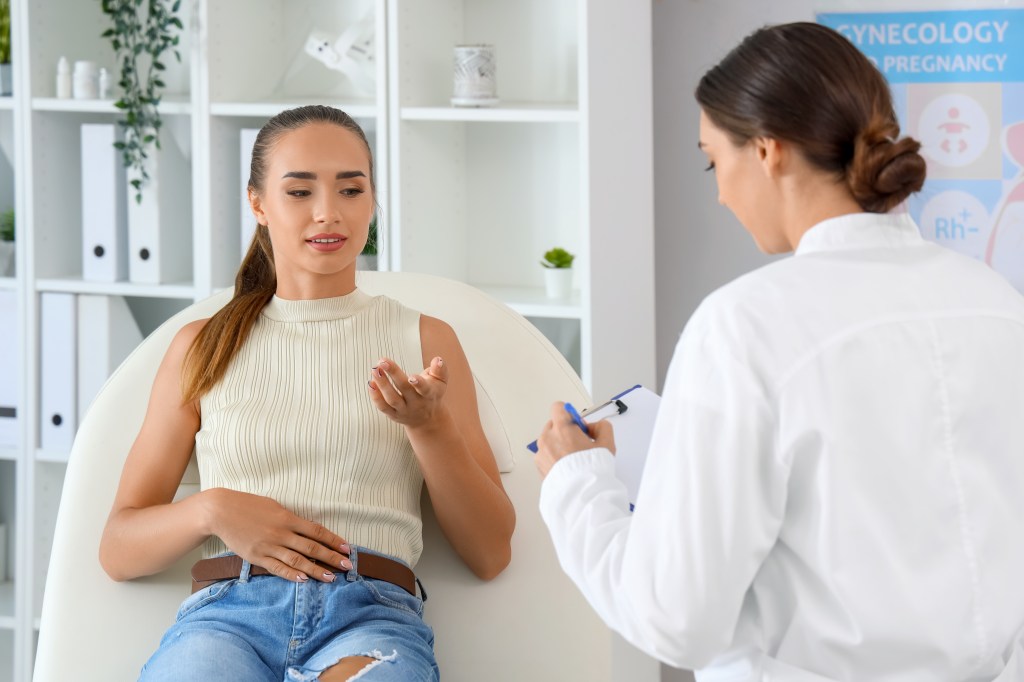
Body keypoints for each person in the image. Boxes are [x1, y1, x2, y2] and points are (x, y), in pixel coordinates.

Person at [533, 22, 1024, 681]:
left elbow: (675, 618)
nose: (718, 191)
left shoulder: (743, 326)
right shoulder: (995, 302)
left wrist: (579, 483)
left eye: (715, 160)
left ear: (767, 151)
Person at [99, 105, 515, 681]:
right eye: (299, 191)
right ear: (259, 204)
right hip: (225, 621)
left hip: (371, 620)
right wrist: (213, 509)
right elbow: (117, 550)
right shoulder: (202, 345)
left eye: (351, 189)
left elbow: (490, 553)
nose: (329, 213)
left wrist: (430, 428)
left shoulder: (425, 338)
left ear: (372, 201)